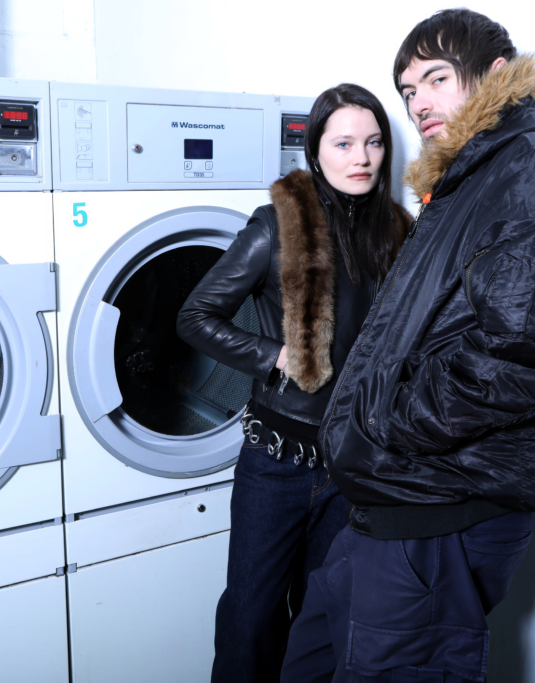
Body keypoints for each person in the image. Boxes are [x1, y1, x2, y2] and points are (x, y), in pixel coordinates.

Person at [281, 9, 535, 682]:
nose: (419, 103)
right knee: (308, 660)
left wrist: (384, 420)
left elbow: (528, 351)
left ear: (496, 74)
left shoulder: (534, 164)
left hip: (440, 508)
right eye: (409, 90)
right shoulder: (469, 174)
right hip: (395, 498)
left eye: (436, 78)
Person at [176, 84, 412, 683]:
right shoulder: (277, 227)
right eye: (344, 144)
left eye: (374, 143)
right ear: (316, 151)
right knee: (250, 621)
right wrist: (276, 355)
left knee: (322, 620)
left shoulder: (397, 231)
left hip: (352, 461)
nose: (362, 158)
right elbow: (195, 316)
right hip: (276, 460)